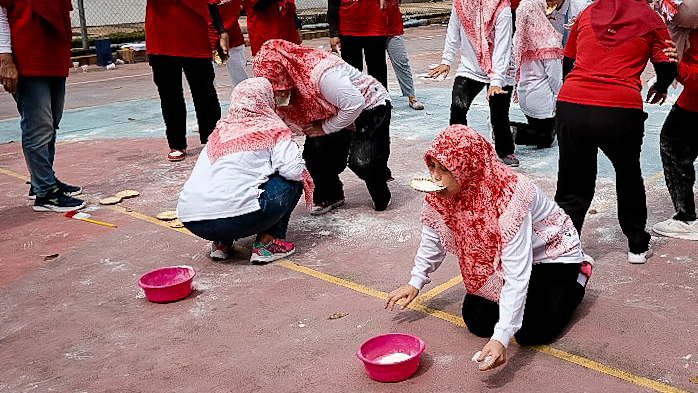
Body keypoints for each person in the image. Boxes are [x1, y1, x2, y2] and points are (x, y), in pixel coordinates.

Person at [385, 125, 590, 371]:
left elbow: (517, 271)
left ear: (468, 167)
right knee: (477, 321)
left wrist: (501, 338)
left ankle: (579, 275)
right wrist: (416, 281)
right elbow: (434, 233)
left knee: (532, 333)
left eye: (445, 169)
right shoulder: (447, 191)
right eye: (433, 166)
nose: (435, 177)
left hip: (553, 252)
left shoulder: (510, 196)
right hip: (505, 255)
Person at [554, 0, 678, 264]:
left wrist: (578, 90)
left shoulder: (588, 12)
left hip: (572, 103)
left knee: (572, 181)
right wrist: (662, 85)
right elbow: (667, 66)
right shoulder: (651, 19)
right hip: (619, 108)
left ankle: (566, 248)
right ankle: (636, 246)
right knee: (628, 175)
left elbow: (568, 60)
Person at [177, 78, 312, 263]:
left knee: (230, 179)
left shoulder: (221, 130)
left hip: (193, 220)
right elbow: (293, 171)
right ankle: (268, 243)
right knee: (295, 179)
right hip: (237, 219)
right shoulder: (273, 128)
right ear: (266, 100)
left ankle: (221, 243)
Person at [253, 40, 393, 215]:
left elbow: (355, 104)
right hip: (330, 111)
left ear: (285, 72)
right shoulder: (287, 84)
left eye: (277, 89)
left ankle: (380, 181)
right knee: (314, 154)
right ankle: (331, 194)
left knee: (364, 161)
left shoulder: (321, 73)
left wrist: (326, 128)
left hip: (369, 104)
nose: (277, 95)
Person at [0, 0, 85, 212]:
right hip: (26, 56)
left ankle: (43, 179)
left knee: (51, 123)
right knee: (38, 126)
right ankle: (45, 193)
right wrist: (5, 58)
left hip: (53, 55)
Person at [429, 0, 520, 167]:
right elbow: (453, 30)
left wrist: (496, 81)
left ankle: (505, 150)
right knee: (458, 106)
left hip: (500, 68)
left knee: (499, 114)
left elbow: (503, 47)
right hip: (471, 66)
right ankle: (459, 149)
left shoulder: (503, 9)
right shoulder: (461, 4)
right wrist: (446, 60)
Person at [146, 0, 228, 162]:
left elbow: (210, 3)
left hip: (195, 36)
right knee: (169, 94)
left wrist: (221, 31)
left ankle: (212, 138)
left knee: (205, 91)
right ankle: (176, 143)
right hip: (161, 38)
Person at [653, 0, 698, 240]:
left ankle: (686, 218)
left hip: (695, 100)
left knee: (673, 143)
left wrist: (676, 68)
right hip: (691, 97)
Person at [510, 0, 563, 149]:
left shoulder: (519, 39)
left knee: (537, 127)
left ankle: (502, 125)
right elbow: (554, 77)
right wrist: (561, 98)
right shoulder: (548, 39)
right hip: (541, 98)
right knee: (546, 137)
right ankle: (508, 131)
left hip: (523, 95)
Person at [328, 0, 390, 88]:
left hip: (374, 27)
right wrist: (333, 34)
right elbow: (333, 5)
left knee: (377, 71)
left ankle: (381, 100)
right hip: (348, 30)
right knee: (353, 72)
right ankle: (355, 100)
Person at [384, 0, 424, 110]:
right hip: (374, 30)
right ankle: (381, 98)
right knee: (377, 65)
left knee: (402, 61)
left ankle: (412, 96)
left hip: (394, 28)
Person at [210, 0, 248, 88]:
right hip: (211, 34)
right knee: (207, 79)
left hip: (234, 34)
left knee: (241, 79)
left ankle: (243, 99)